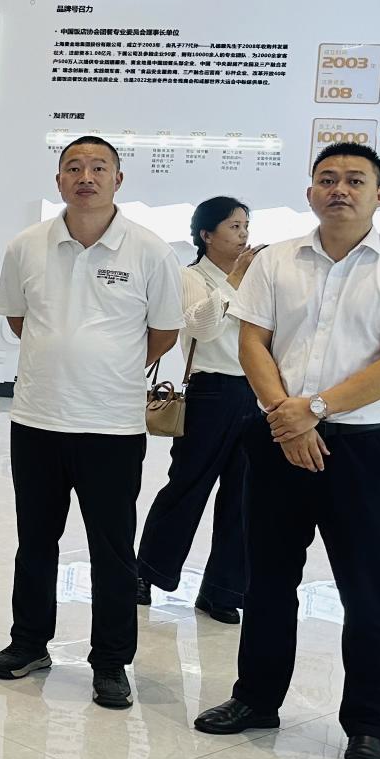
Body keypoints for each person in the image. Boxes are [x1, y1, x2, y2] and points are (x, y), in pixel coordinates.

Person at [195, 143, 380, 759]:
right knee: (268, 580)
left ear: (379, 195)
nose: (340, 189)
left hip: (358, 448)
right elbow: (252, 341)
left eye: (355, 180)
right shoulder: (275, 261)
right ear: (310, 192)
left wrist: (315, 410)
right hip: (277, 437)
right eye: (328, 179)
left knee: (367, 590)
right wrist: (286, 416)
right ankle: (257, 698)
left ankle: (369, 727)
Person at [0, 136, 182, 711]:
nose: (86, 177)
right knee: (35, 541)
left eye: (99, 167)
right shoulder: (27, 246)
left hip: (112, 425)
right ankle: (29, 643)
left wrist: (106, 365)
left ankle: (111, 661)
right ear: (58, 180)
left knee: (112, 549)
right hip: (38, 418)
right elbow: (20, 319)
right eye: (73, 167)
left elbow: (164, 332)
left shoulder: (149, 250)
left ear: (119, 179)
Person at [134, 196, 257, 624]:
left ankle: (221, 591)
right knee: (187, 487)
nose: (243, 235)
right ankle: (146, 573)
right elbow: (202, 328)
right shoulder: (191, 276)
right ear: (206, 234)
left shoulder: (258, 280)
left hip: (255, 393)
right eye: (234, 227)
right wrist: (234, 280)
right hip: (211, 392)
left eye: (246, 226)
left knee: (242, 497)